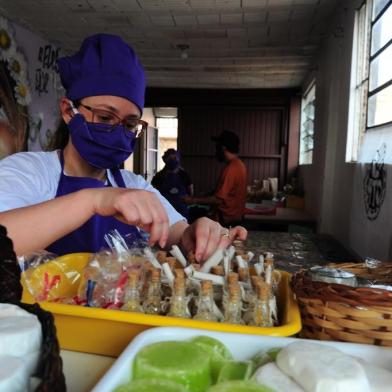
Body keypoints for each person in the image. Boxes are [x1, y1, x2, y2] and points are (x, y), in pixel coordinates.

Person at [0, 34, 246, 260]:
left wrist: (197, 233)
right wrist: (93, 200)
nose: (118, 133)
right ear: (68, 111)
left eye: (129, 124)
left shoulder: (133, 186)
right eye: (105, 118)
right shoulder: (29, 171)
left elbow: (179, 234)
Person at [184, 131, 247, 227]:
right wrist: (207, 194)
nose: (215, 149)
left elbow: (218, 200)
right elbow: (229, 193)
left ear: (223, 147)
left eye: (217, 146)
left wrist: (193, 200)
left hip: (225, 222)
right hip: (234, 219)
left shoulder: (231, 169)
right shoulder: (240, 165)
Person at [151, 148, 193, 220]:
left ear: (178, 159)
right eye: (169, 158)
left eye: (174, 157)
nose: (172, 160)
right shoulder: (159, 176)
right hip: (164, 212)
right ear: (165, 160)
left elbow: (191, 193)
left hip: (182, 213)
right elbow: (153, 193)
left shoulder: (184, 175)